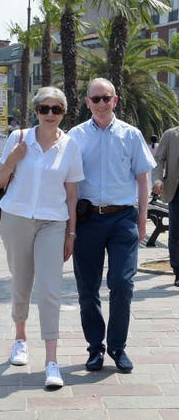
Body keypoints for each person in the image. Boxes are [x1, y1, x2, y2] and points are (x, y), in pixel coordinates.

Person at [0, 86, 84, 389]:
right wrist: (15, 158)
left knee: (50, 289)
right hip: (16, 217)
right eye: (44, 109)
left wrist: (71, 232)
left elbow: (72, 194)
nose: (49, 114)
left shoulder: (70, 145)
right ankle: (20, 339)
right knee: (21, 281)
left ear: (63, 113)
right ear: (35, 111)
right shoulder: (19, 138)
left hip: (53, 222)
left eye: (56, 109)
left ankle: (52, 362)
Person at [68, 78, 156, 374]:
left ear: (115, 100)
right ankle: (95, 348)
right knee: (87, 289)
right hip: (88, 218)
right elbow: (65, 182)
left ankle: (118, 346)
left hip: (122, 219)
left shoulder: (131, 135)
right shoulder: (75, 136)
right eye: (96, 99)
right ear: (87, 103)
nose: (102, 104)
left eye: (107, 98)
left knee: (122, 282)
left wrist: (141, 218)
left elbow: (143, 179)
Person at [151, 126, 179, 287]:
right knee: (176, 234)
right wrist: (157, 179)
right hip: (176, 191)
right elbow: (158, 160)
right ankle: (178, 271)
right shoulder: (170, 135)